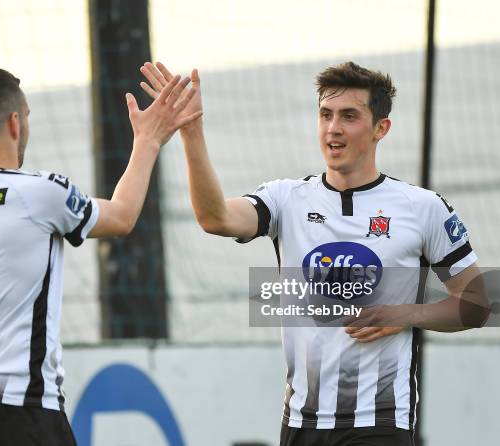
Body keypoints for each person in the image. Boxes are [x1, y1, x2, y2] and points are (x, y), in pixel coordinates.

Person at [139, 61, 488, 446]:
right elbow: (214, 217)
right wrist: (192, 131)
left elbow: (477, 303)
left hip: (381, 422)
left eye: (349, 116)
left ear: (380, 129)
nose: (333, 128)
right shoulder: (286, 199)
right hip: (301, 423)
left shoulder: (422, 208)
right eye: (326, 115)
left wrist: (407, 314)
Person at [0, 66, 201, 445]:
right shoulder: (39, 192)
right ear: (15, 123)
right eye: (27, 116)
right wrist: (148, 139)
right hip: (27, 410)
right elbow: (122, 215)